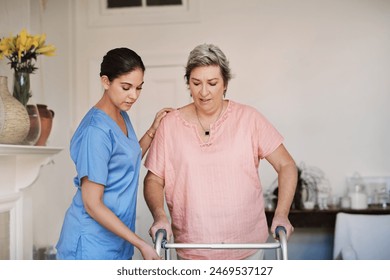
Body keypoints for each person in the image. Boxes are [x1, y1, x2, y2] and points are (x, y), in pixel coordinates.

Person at [143, 43, 298, 260]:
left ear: (225, 83)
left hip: (247, 248)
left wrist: (282, 214)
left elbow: (287, 165)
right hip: (192, 252)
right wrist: (159, 216)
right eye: (196, 83)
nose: (203, 92)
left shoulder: (249, 118)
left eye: (212, 83)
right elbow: (153, 180)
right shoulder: (170, 125)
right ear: (188, 83)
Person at [56, 47, 172, 260]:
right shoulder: (96, 131)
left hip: (116, 240)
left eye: (139, 88)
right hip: (90, 244)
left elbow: (127, 157)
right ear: (106, 82)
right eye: (126, 87)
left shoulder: (120, 114)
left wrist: (152, 130)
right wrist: (140, 244)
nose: (133, 95)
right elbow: (92, 204)